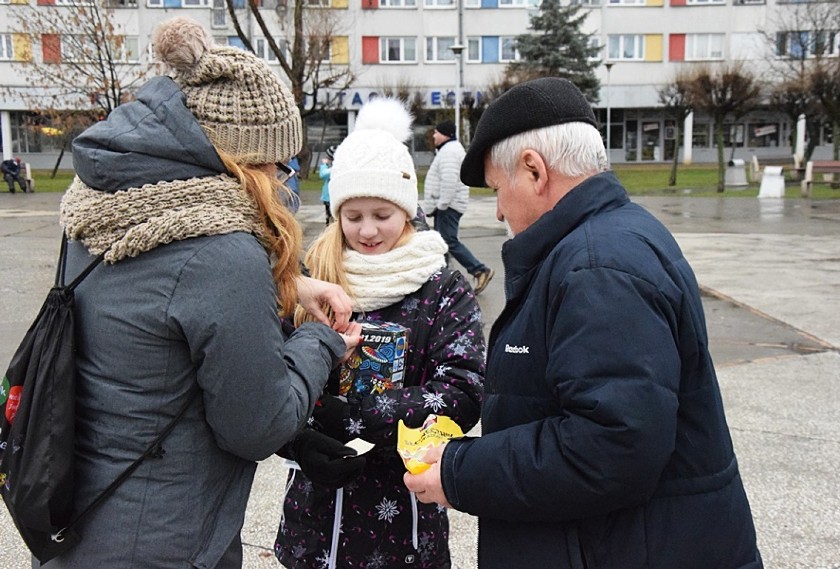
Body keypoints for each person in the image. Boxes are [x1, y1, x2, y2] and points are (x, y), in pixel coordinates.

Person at [404, 77, 763, 568]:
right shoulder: (602, 242)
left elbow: (611, 447)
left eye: (496, 189)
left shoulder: (597, 268)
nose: (500, 207)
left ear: (534, 170)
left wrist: (457, 470)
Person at [46, 16, 361, 568]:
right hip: (164, 536)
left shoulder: (105, 201)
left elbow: (158, 293)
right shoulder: (221, 252)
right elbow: (257, 426)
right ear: (243, 161)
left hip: (79, 508)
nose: (286, 180)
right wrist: (321, 344)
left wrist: (288, 281)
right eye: (278, 162)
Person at [273, 97, 485, 569]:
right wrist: (298, 441)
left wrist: (358, 417)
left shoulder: (441, 288)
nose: (367, 230)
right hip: (315, 525)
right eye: (354, 216)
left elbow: (464, 390)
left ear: (407, 212)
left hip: (403, 523)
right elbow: (268, 382)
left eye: (382, 214)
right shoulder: (312, 281)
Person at [422, 120, 494, 295]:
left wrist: (442, 204)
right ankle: (442, 280)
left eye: (436, 132)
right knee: (444, 243)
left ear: (445, 134)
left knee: (448, 242)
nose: (433, 135)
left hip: (448, 206)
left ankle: (479, 269)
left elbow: (449, 180)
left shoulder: (449, 152)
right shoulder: (448, 150)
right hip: (447, 205)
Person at [318, 145, 336, 225]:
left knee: (334, 217)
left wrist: (324, 165)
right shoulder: (329, 167)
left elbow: (323, 174)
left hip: (333, 196)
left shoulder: (335, 169)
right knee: (328, 217)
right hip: (327, 197)